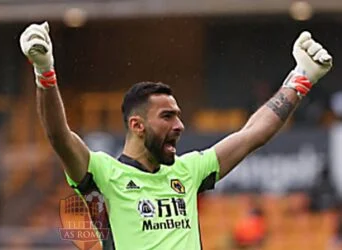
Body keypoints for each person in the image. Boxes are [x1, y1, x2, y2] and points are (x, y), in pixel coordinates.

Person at [19, 22, 332, 250]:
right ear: (137, 125)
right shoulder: (103, 174)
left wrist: (300, 79)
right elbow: (60, 136)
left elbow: (252, 134)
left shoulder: (189, 171)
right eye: (167, 116)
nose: (180, 125)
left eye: (179, 115)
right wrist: (44, 71)